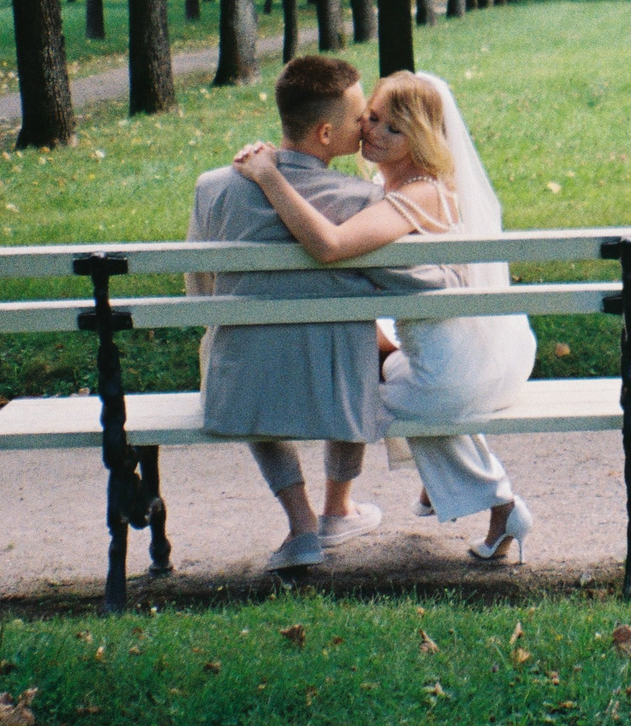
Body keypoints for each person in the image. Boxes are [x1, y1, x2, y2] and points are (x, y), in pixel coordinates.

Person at [232, 70, 538, 563]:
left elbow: (330, 246)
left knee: (361, 398)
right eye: (371, 118)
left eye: (393, 129)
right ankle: (450, 490)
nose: (372, 133)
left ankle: (497, 502)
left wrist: (270, 176)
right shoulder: (405, 185)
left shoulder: (418, 195)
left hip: (453, 370)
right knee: (391, 377)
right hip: (469, 354)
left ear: (419, 140)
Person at [189, 54, 433, 572]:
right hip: (334, 385)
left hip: (241, 389)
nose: (368, 122)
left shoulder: (213, 187)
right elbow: (404, 286)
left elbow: (200, 292)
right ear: (326, 133)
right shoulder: (362, 199)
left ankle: (301, 528)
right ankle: (338, 509)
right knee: (358, 341)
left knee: (234, 348)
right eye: (359, 116)